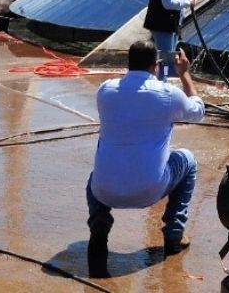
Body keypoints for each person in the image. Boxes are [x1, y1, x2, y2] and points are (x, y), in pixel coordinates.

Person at [86, 40, 205, 276]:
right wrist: (185, 75)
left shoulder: (106, 91)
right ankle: (174, 234)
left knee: (95, 176)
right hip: (148, 190)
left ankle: (99, 225)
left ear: (128, 64)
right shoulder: (168, 95)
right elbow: (199, 111)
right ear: (156, 66)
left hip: (105, 190)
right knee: (188, 159)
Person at [144, 0, 203, 80]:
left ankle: (162, 84)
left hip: (170, 25)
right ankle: (160, 85)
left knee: (167, 60)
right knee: (165, 61)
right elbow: (168, 3)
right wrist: (189, 3)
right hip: (163, 25)